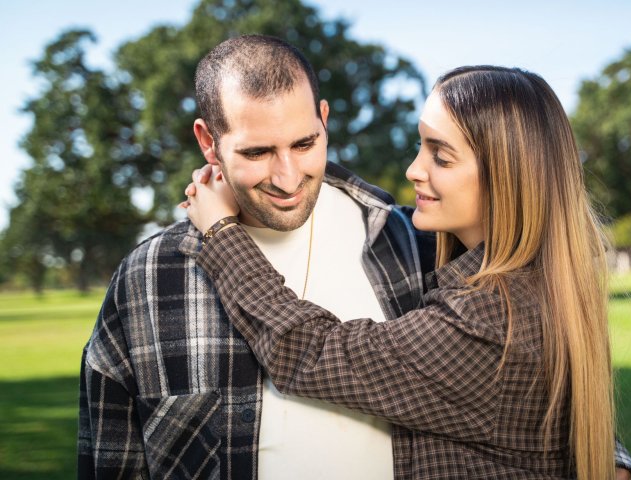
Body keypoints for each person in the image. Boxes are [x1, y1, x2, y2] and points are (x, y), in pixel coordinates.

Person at [184, 65, 631, 479]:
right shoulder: (492, 269)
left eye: (441, 157)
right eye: (420, 145)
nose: (413, 169)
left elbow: (310, 354)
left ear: (509, 176)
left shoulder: (495, 317)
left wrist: (222, 234)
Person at [78, 35, 432, 480]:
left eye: (304, 144)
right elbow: (110, 462)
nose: (287, 178)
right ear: (209, 142)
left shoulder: (413, 244)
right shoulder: (148, 277)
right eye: (257, 152)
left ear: (324, 120)